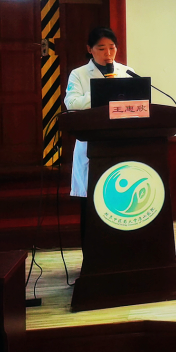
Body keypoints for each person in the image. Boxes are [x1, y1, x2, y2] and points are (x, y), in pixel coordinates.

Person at [64, 27, 135, 238]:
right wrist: (103, 91)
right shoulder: (78, 74)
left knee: (121, 202)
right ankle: (91, 251)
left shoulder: (126, 72)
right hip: (92, 146)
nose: (108, 53)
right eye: (101, 48)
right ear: (90, 49)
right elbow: (72, 104)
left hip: (122, 144)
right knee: (92, 203)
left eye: (112, 48)